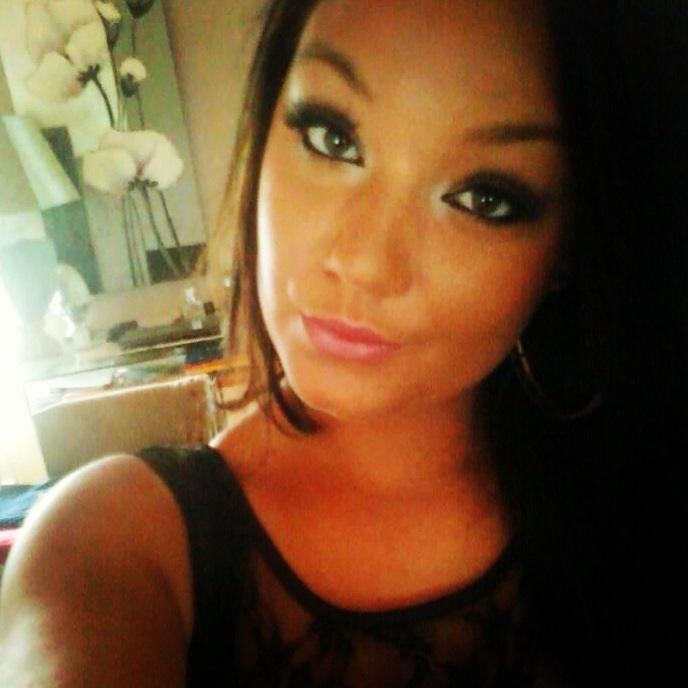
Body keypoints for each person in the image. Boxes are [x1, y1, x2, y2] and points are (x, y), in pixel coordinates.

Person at [1, 0, 687, 685]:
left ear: (569, 247)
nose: (365, 263)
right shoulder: (111, 541)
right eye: (332, 138)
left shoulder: (643, 503)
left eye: (485, 197)